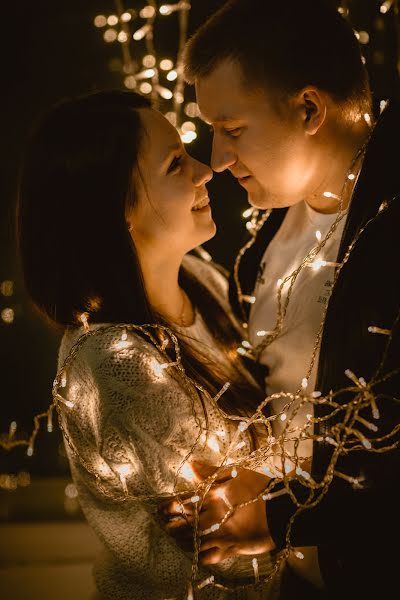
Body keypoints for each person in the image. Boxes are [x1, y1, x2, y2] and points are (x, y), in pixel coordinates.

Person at [165, 1, 400, 598]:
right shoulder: (263, 232)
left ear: (309, 107)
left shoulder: (386, 230)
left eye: (233, 129)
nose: (216, 159)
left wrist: (278, 517)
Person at [16, 89, 285, 599]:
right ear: (119, 209)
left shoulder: (202, 281)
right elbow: (223, 539)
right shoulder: (116, 366)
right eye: (175, 164)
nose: (205, 170)